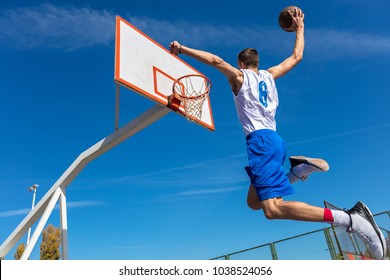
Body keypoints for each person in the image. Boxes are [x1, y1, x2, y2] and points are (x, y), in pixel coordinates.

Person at [169, 8, 387, 259]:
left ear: (241, 64)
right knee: (254, 202)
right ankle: (297, 170)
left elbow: (217, 62)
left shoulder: (239, 78)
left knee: (272, 209)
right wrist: (300, 27)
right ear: (257, 63)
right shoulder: (270, 75)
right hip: (274, 140)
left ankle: (351, 220)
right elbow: (297, 57)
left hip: (260, 142)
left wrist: (182, 49)